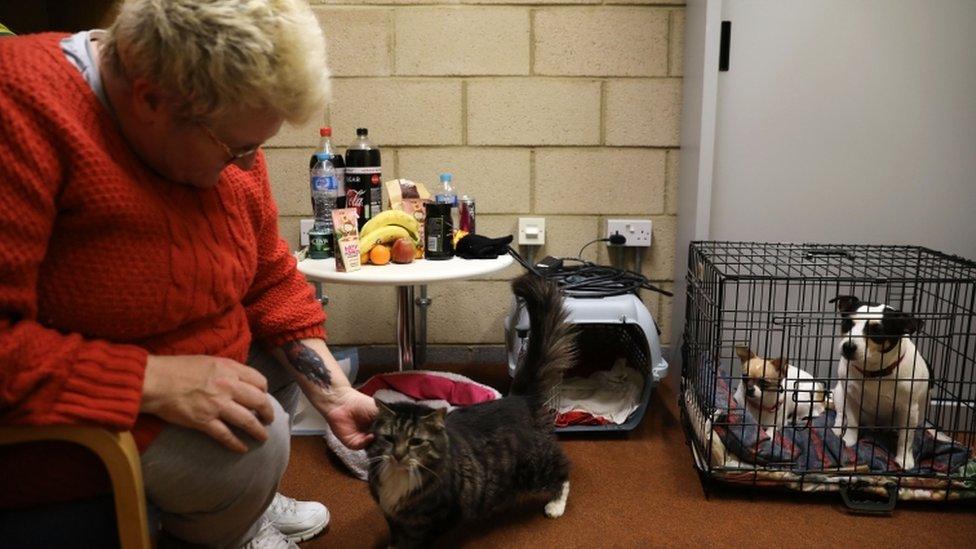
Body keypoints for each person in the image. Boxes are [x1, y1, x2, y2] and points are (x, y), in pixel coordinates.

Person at [0, 0, 377, 547]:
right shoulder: (21, 108)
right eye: (237, 148)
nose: (248, 165)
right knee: (262, 440)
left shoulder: (213, 122)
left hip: (170, 359)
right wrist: (149, 381)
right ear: (151, 98)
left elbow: (269, 277)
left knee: (279, 364)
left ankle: (244, 509)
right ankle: (230, 526)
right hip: (55, 411)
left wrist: (336, 395)